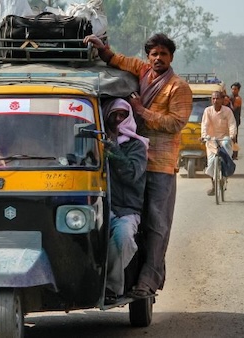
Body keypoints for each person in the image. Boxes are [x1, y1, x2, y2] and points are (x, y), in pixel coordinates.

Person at [83, 33, 192, 298]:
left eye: (163, 54)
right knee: (126, 220)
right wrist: (101, 48)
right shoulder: (142, 71)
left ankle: (148, 281)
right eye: (154, 54)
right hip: (132, 157)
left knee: (156, 225)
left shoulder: (178, 87)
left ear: (171, 58)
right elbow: (118, 60)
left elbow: (175, 123)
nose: (157, 59)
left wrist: (140, 111)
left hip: (159, 165)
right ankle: (123, 276)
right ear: (148, 57)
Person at [101, 98, 148, 304]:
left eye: (123, 115)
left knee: (123, 238)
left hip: (126, 210)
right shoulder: (96, 143)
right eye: (114, 115)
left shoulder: (137, 146)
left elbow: (131, 174)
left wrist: (113, 151)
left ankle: (110, 287)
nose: (118, 119)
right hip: (99, 208)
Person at [201, 91, 237, 196]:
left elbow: (232, 124)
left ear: (222, 100)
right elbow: (205, 125)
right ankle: (214, 186)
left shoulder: (227, 111)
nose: (215, 101)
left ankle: (225, 174)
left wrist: (232, 135)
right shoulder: (208, 111)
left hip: (224, 139)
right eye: (213, 99)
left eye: (217, 98)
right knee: (211, 163)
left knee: (225, 152)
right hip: (211, 140)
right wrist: (204, 136)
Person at [229, 82, 242, 160]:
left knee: (234, 138)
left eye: (235, 89)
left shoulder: (238, 99)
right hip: (229, 120)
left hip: (235, 121)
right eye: (232, 89)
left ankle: (235, 154)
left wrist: (229, 102)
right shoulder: (231, 97)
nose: (233, 90)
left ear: (238, 90)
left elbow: (233, 109)